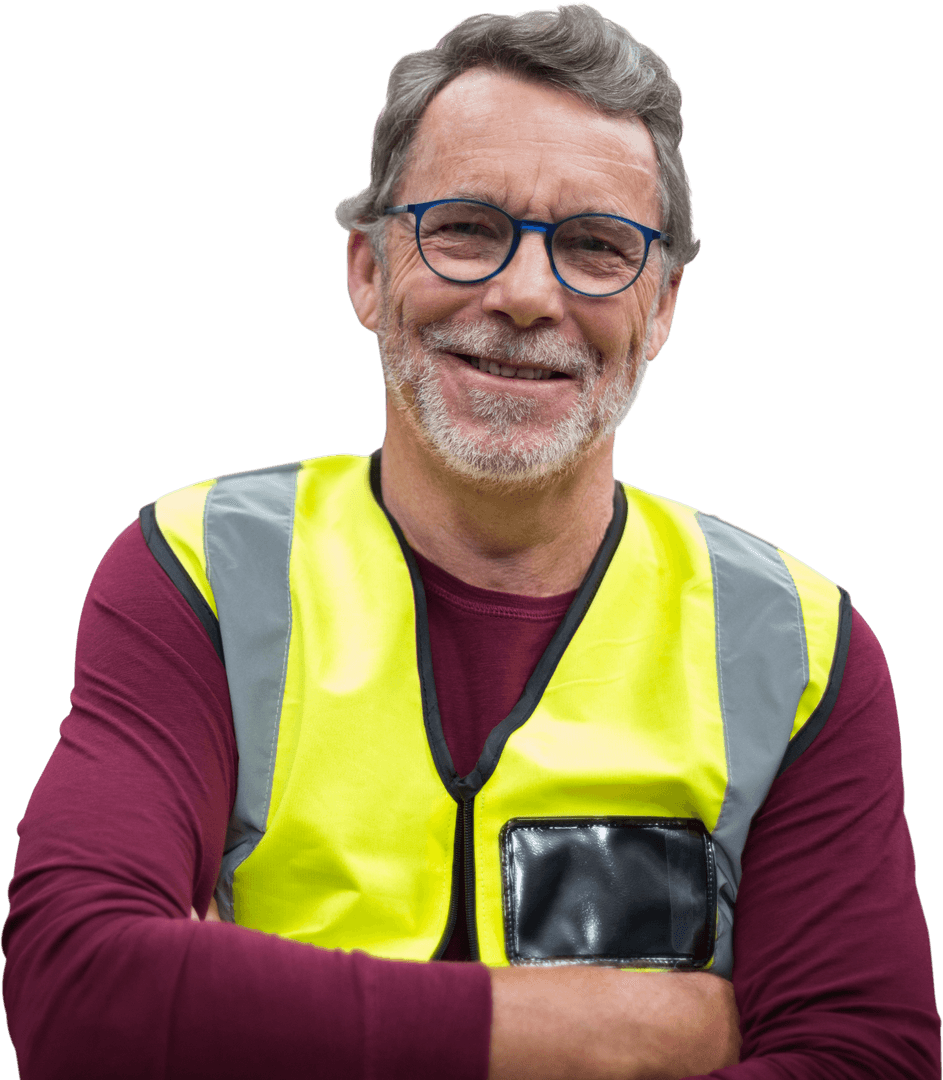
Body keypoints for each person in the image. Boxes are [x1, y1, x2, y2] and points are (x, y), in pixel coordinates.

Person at [3, 5, 939, 1078]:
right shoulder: (201, 571)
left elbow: (868, 1060)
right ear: (367, 271)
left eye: (596, 247)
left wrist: (238, 1008)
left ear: (662, 306)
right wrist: (615, 1032)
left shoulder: (795, 646)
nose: (526, 295)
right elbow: (78, 992)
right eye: (465, 228)